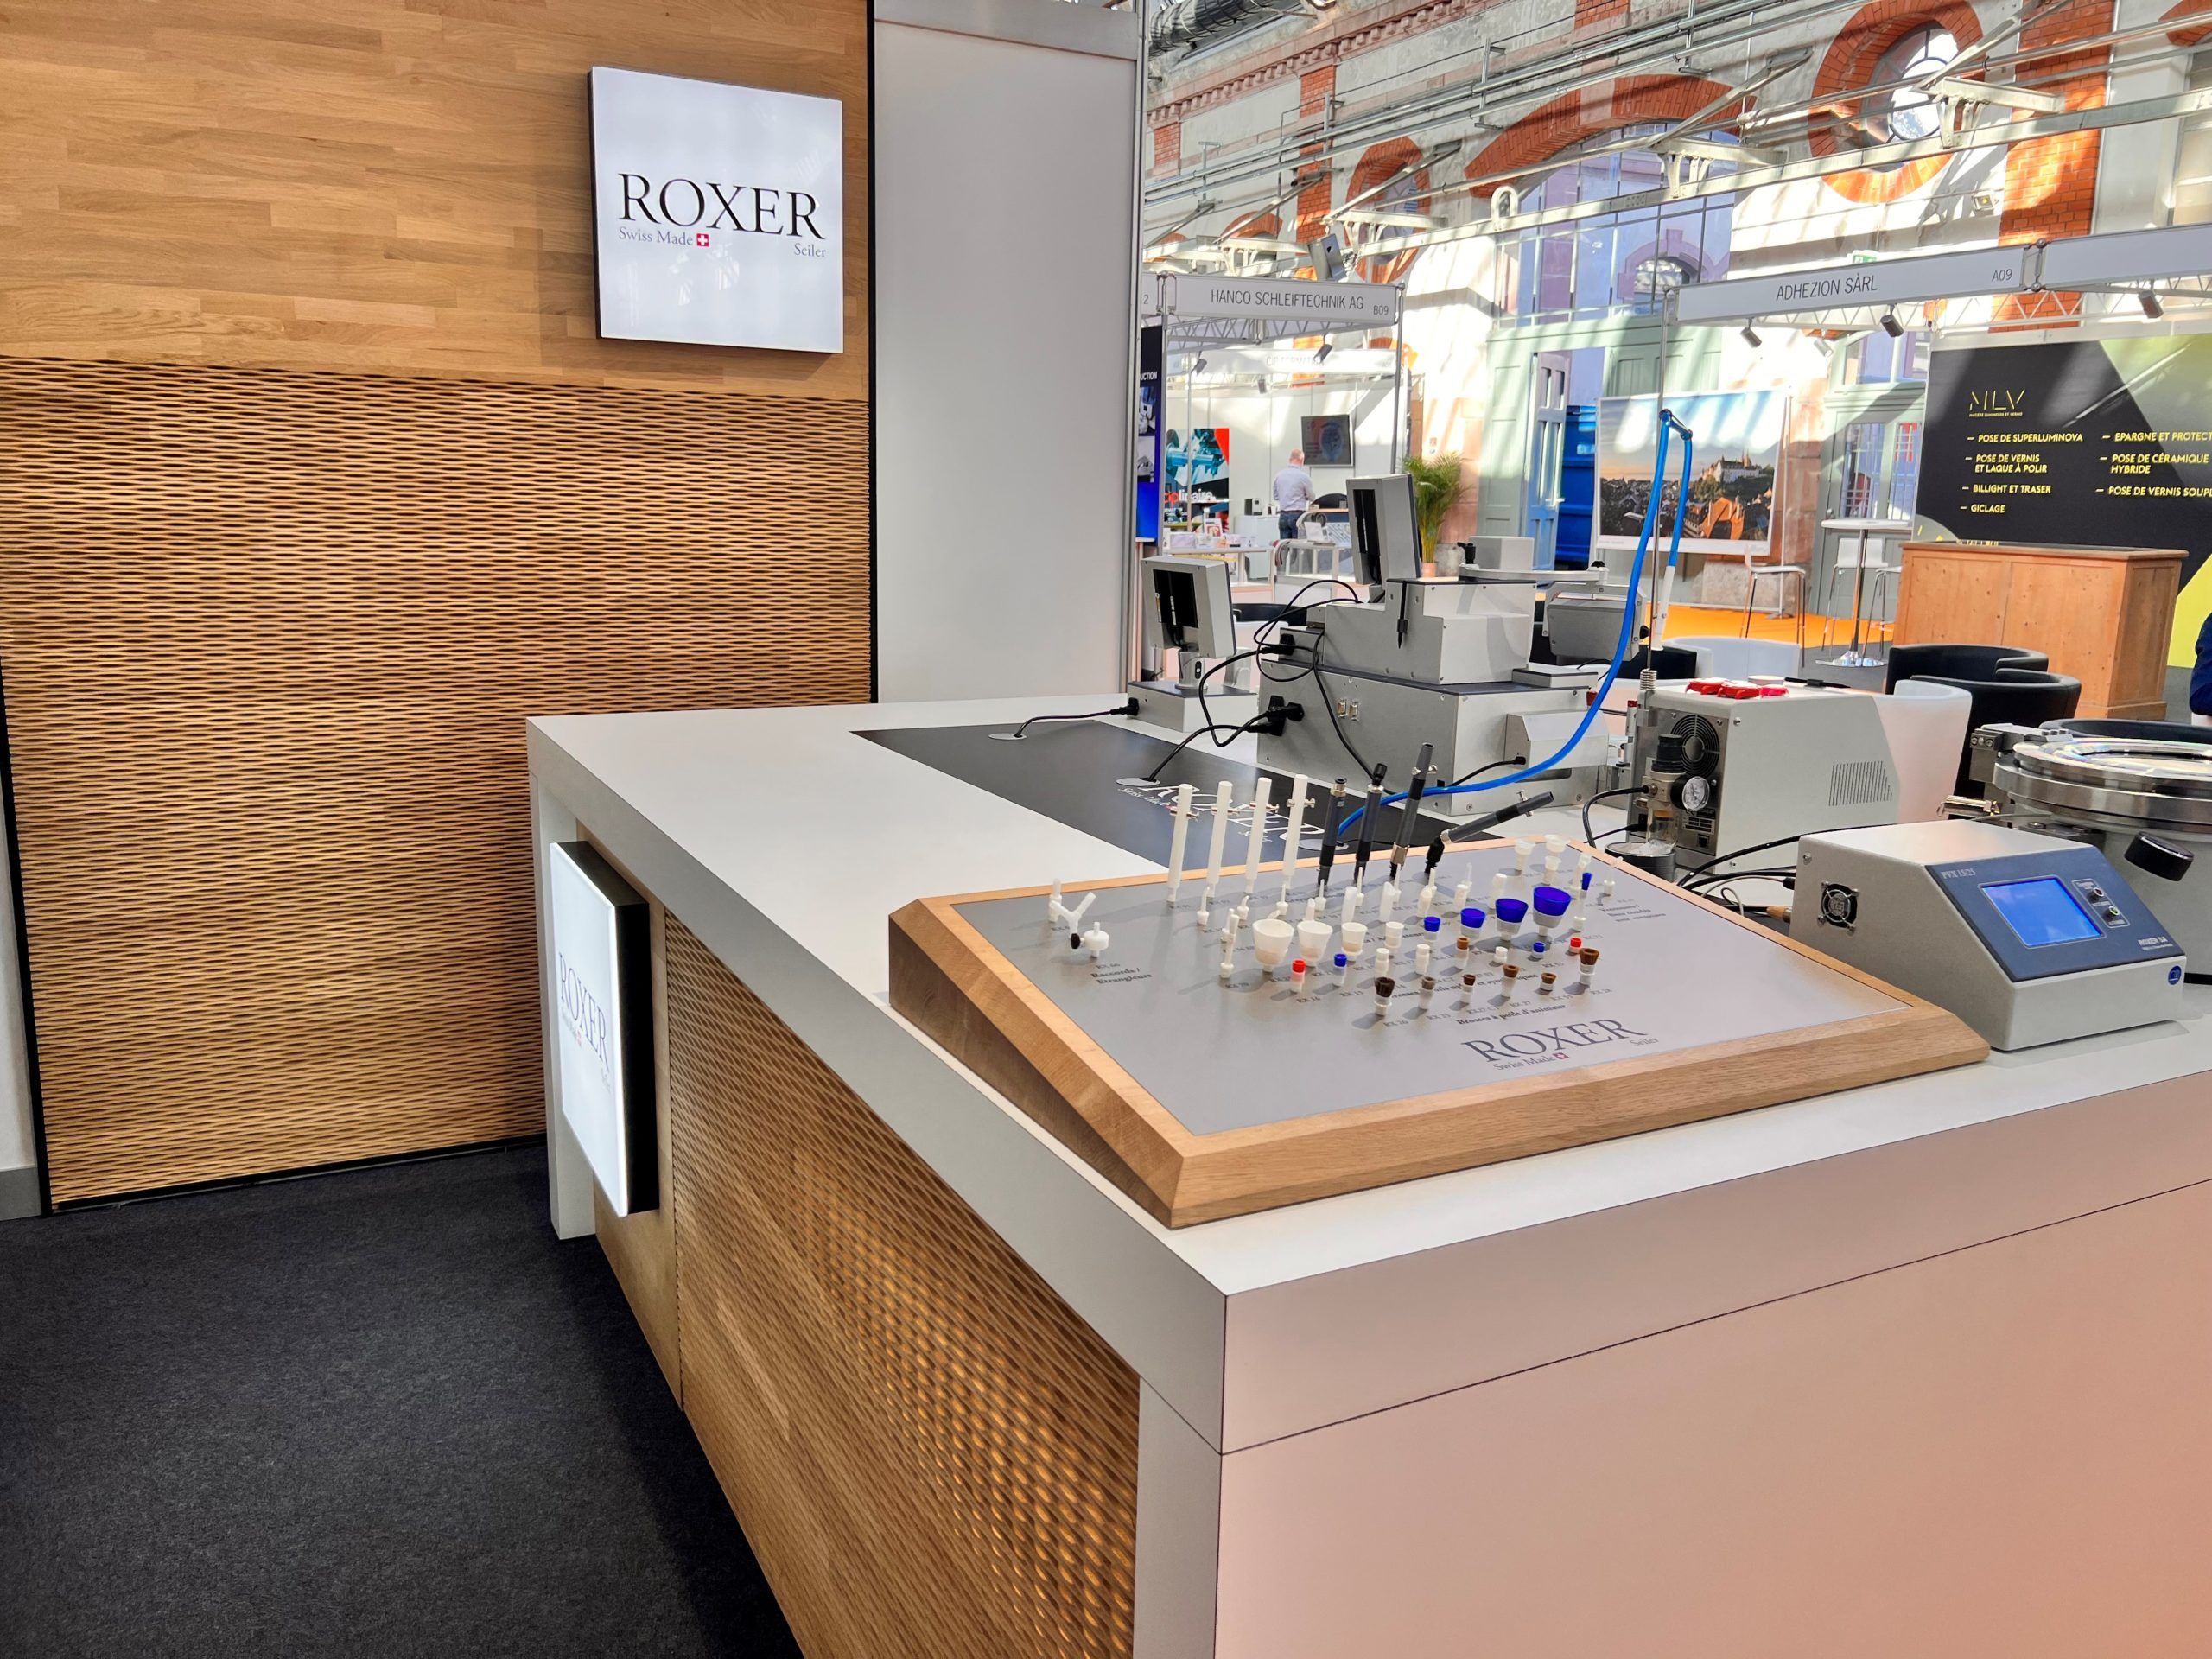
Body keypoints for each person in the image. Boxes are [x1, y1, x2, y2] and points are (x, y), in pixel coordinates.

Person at [1274, 450, 1315, 541]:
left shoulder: (1279, 476)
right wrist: (1304, 496)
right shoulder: (1304, 477)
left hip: (1283, 516)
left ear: (1290, 459)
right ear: (1302, 460)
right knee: (1298, 547)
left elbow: (1276, 496)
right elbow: (1312, 497)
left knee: (1284, 546)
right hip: (1298, 516)